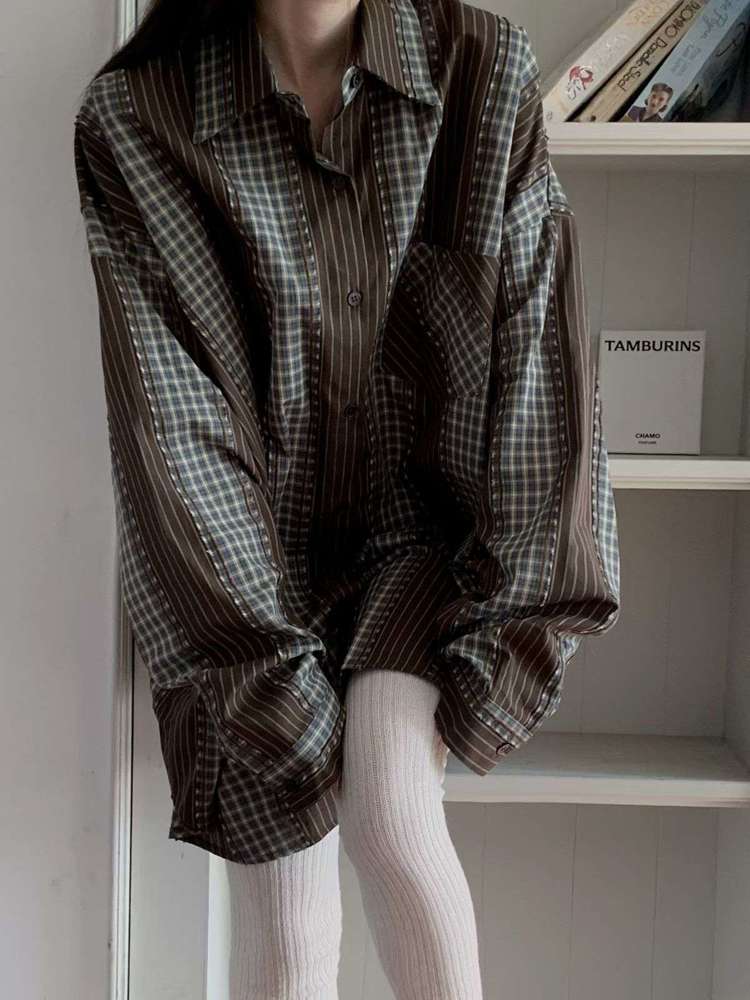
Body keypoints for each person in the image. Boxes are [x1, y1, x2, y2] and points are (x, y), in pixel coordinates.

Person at [73, 0, 621, 996]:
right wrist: (267, 686)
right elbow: (173, 426)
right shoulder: (140, 115)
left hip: (426, 553)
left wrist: (502, 642)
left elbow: (540, 373)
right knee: (288, 915)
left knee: (394, 825)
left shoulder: (479, 71)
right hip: (238, 575)